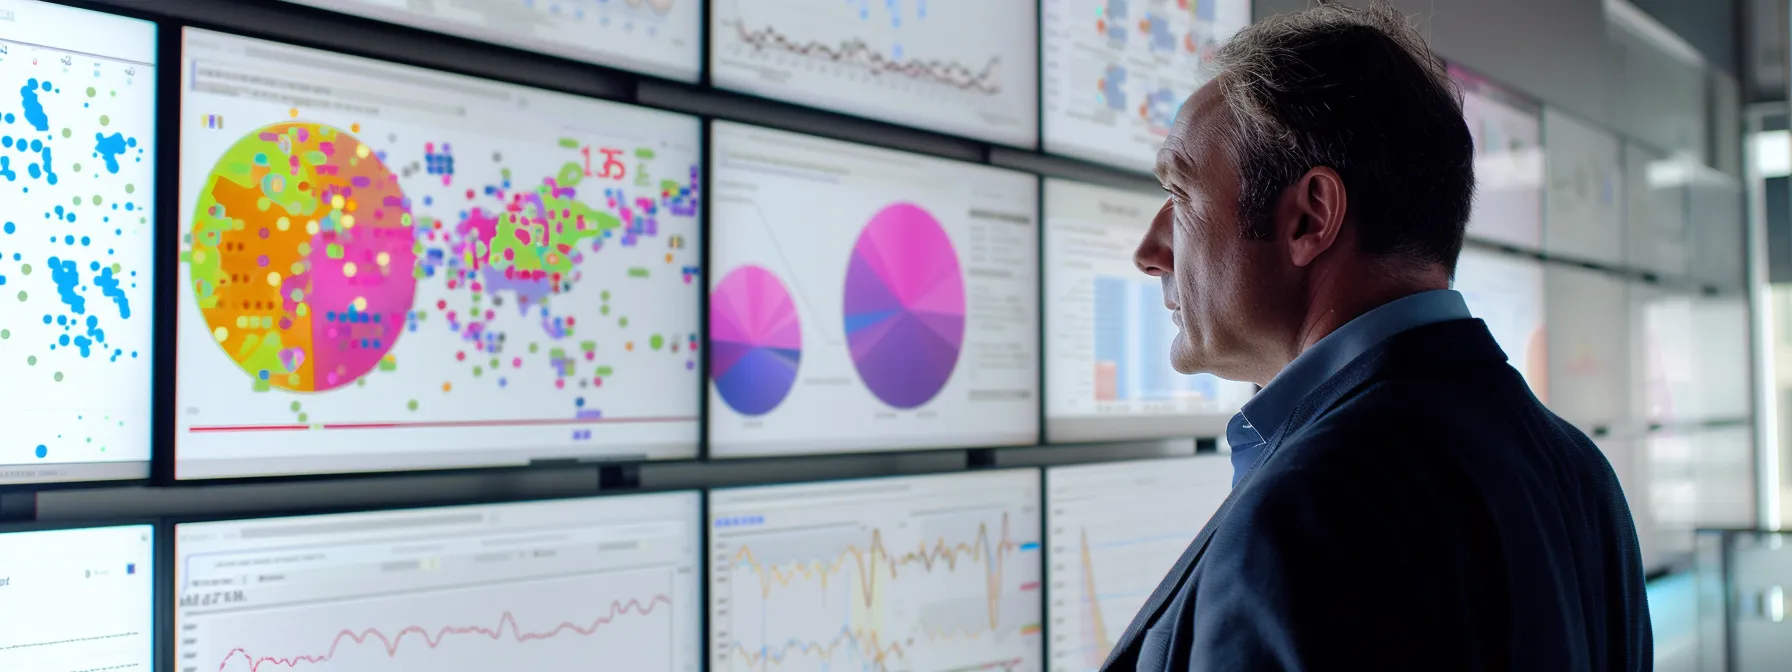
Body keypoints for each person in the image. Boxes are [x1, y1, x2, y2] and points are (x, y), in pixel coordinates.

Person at [1110, 2, 1652, 670]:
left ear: (1311, 217)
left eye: (1182, 196)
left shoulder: (1305, 514)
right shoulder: (1577, 471)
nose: (1149, 249)